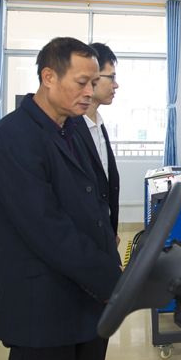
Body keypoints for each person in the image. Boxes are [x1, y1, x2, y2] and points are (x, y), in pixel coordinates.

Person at [0, 37, 123, 360]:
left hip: (84, 300)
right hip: (42, 309)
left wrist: (108, 256)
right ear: (48, 77)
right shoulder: (13, 138)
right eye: (82, 82)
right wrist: (109, 279)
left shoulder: (71, 128)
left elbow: (93, 201)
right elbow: (48, 229)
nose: (89, 92)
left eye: (94, 82)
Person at [73, 42, 120, 241]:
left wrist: (110, 230)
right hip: (83, 240)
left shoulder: (98, 124)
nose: (116, 85)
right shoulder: (70, 130)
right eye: (112, 77)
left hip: (103, 233)